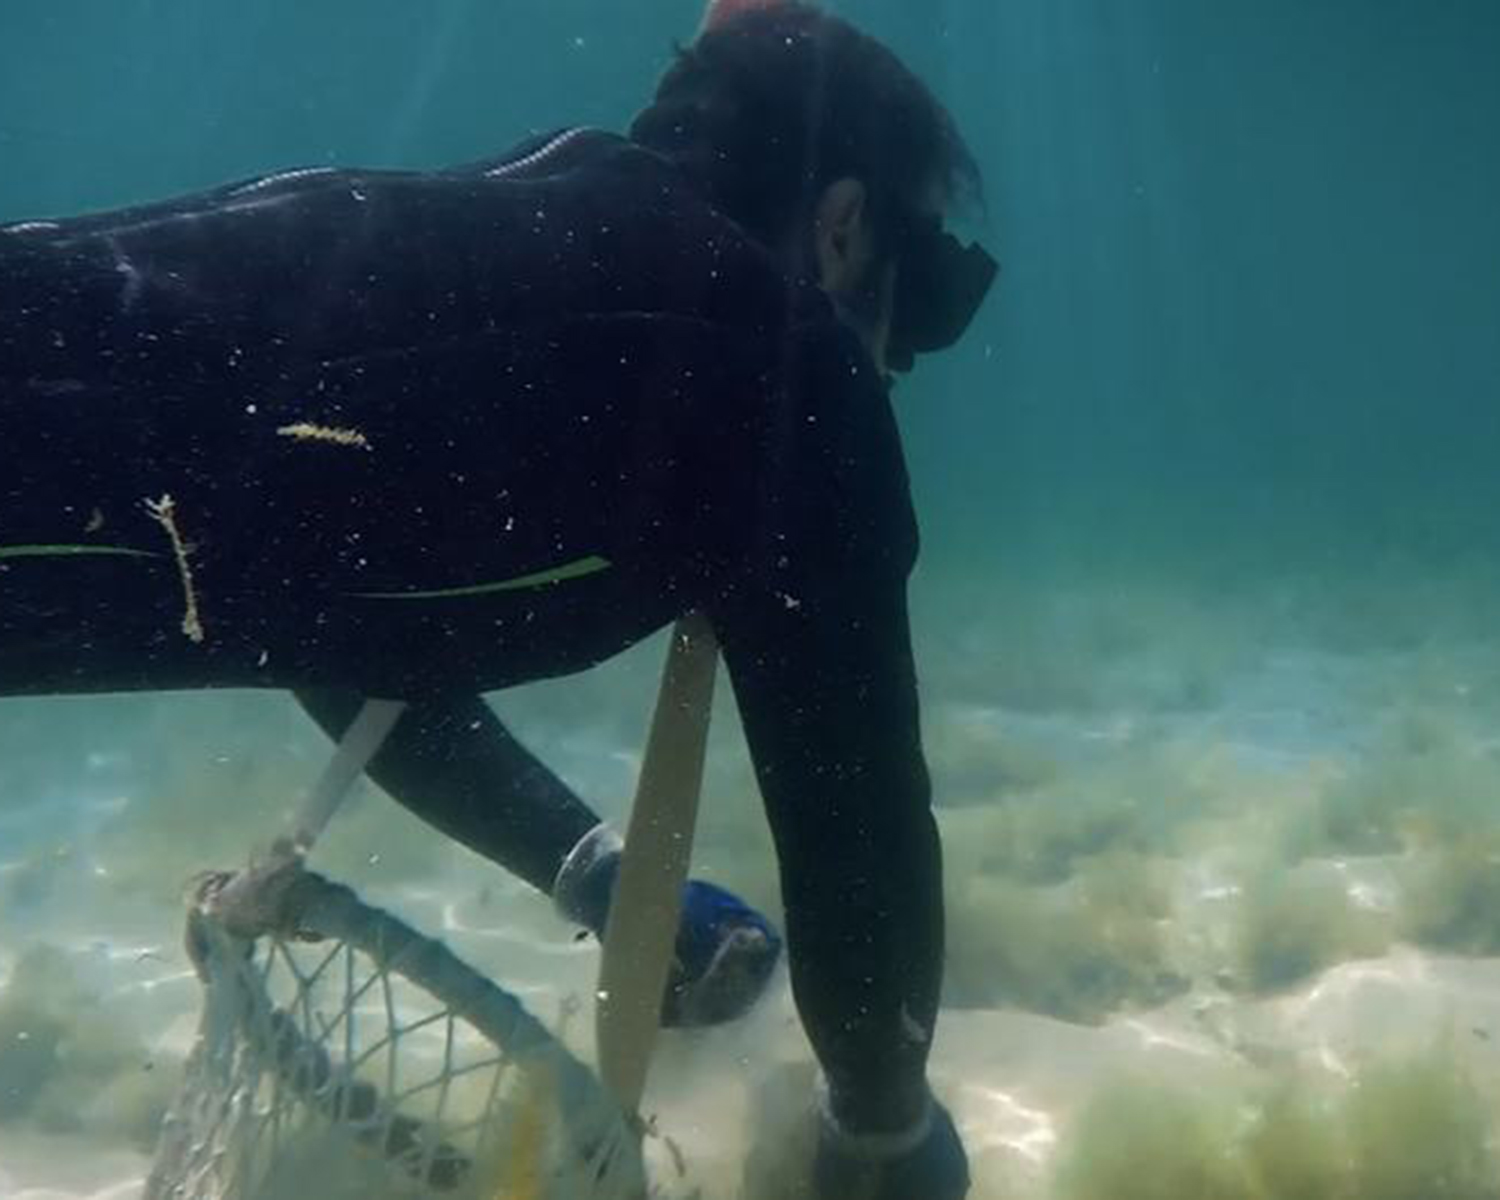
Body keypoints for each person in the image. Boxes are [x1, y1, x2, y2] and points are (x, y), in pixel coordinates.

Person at [0, 1, 994, 1195]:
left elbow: (340, 601)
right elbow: (862, 830)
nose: (899, 360)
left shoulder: (531, 229)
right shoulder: (785, 371)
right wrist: (882, 1133)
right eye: (920, 295)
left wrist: (587, 867)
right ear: (841, 223)